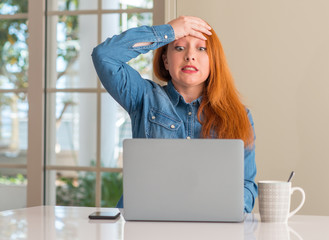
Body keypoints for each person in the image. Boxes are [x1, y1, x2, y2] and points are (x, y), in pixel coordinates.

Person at [91, 16, 257, 213]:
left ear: (213, 61)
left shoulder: (239, 115)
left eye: (201, 49)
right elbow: (104, 55)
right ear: (166, 61)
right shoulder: (143, 97)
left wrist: (224, 211)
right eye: (179, 48)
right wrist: (168, 32)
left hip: (211, 226)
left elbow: (246, 185)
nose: (190, 56)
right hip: (145, 224)